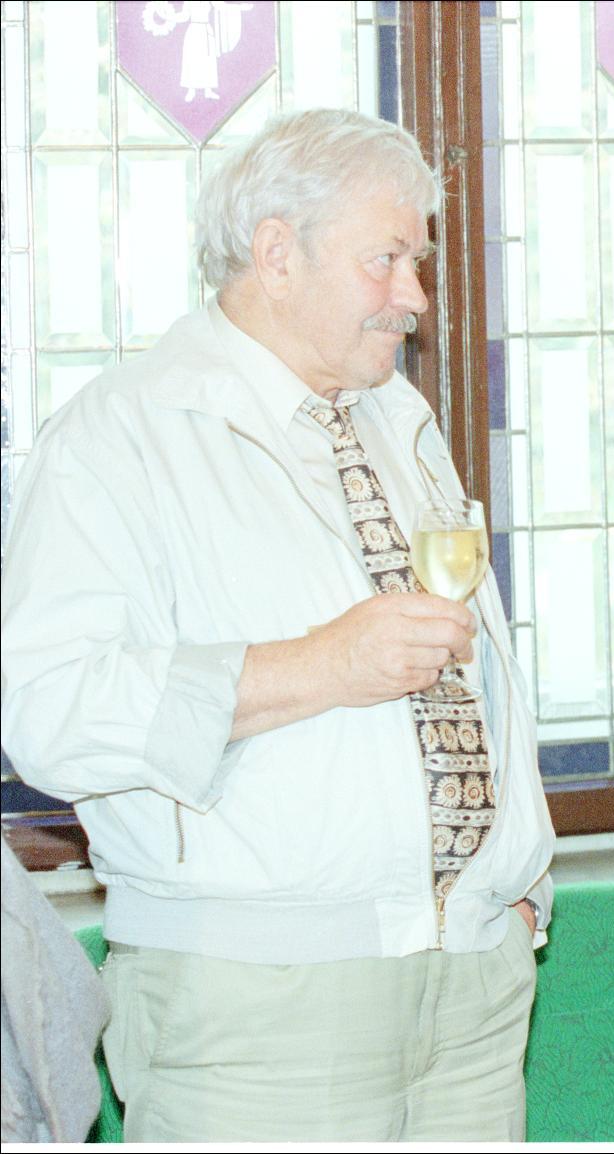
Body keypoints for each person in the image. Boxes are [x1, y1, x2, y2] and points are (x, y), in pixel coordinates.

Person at [0, 109, 555, 1141]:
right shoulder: (118, 436)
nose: (416, 297)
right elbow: (47, 712)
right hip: (261, 1000)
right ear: (276, 253)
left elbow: (476, 684)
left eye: (419, 262)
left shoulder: (401, 421)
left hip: (473, 987)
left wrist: (517, 884)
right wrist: (317, 665)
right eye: (387, 259)